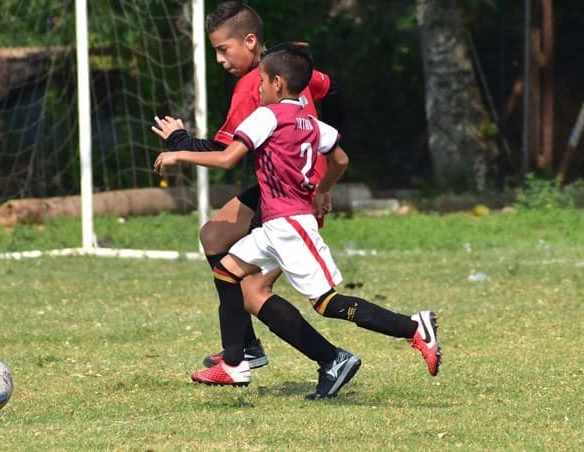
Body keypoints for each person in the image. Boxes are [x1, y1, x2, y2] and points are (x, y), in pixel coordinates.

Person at [154, 43, 441, 398]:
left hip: (290, 227)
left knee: (327, 303)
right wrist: (323, 189)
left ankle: (413, 327)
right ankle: (234, 363)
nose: (256, 88)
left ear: (277, 83)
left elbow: (229, 159)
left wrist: (177, 153)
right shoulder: (313, 123)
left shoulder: (267, 116)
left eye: (260, 81)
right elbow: (340, 160)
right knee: (226, 271)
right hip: (276, 226)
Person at [151, 1, 347, 376]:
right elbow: (332, 91)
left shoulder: (250, 87)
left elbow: (226, 153)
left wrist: (178, 140)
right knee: (213, 236)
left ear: (251, 41)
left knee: (252, 292)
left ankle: (330, 359)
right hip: (289, 186)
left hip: (288, 199)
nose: (220, 59)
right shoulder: (296, 69)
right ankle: (247, 346)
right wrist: (324, 156)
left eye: (224, 49)